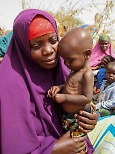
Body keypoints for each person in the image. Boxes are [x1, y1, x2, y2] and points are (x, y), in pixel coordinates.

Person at [0, 9, 97, 154]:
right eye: (36, 45)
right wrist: (53, 149)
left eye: (53, 41)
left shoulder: (64, 69)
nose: (48, 50)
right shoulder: (8, 84)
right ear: (24, 47)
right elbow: (12, 145)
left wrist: (89, 118)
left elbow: (81, 101)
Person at [47, 27, 94, 140]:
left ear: (87, 54)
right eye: (64, 60)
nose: (66, 64)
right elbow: (72, 85)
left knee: (76, 143)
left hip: (78, 117)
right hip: (69, 116)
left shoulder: (87, 74)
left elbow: (87, 98)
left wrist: (65, 97)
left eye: (70, 60)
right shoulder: (75, 71)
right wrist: (59, 87)